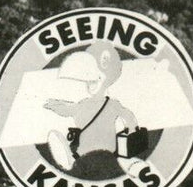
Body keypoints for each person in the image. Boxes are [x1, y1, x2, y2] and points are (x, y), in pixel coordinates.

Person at [43, 40, 138, 178]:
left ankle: (127, 163)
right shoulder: (84, 104)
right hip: (84, 153)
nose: (89, 83)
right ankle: (70, 159)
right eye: (88, 81)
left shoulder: (112, 104)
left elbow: (128, 116)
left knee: (115, 158)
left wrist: (132, 131)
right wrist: (55, 105)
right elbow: (69, 109)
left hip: (107, 151)